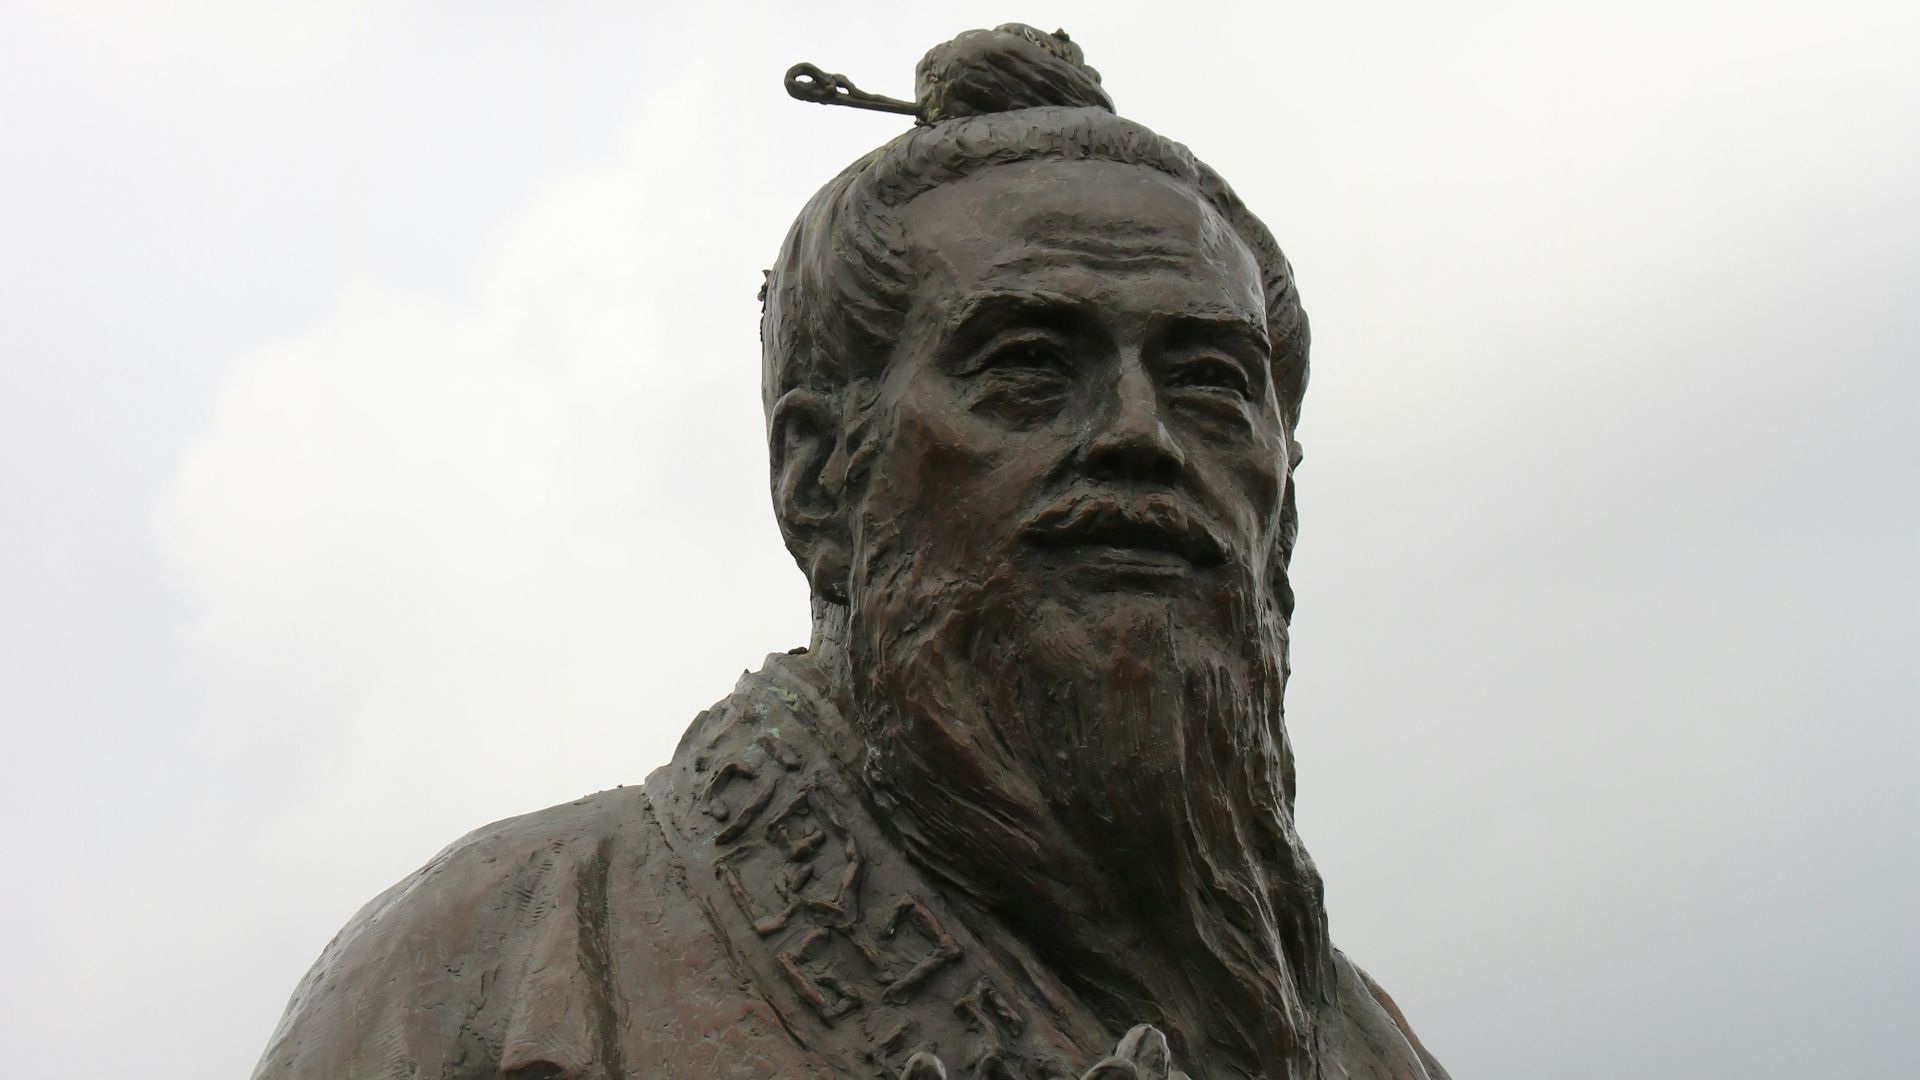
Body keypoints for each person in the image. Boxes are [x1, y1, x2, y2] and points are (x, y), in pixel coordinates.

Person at [253, 25, 1449, 1080]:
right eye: (1030, 367)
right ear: (818, 474)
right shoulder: (502, 963)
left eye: (1209, 386)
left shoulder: (1369, 1052)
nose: (1141, 435)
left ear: (1280, 504)